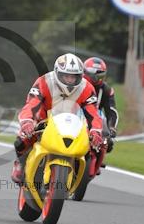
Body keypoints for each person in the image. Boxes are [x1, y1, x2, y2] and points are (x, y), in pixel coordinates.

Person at [11, 53, 104, 184]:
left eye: (74, 77)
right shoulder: (44, 81)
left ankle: (77, 172)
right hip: (44, 118)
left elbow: (93, 112)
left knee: (90, 144)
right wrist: (27, 121)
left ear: (81, 76)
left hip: (73, 122)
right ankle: (20, 163)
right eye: (66, 76)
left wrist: (96, 130)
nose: (70, 80)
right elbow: (31, 104)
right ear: (57, 73)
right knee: (22, 138)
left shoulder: (87, 88)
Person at [83, 57, 119, 153]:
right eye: (92, 74)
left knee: (109, 143)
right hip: (76, 117)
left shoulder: (107, 90)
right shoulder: (77, 84)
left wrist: (112, 128)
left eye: (100, 74)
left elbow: (112, 111)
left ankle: (97, 164)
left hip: (95, 120)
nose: (95, 78)